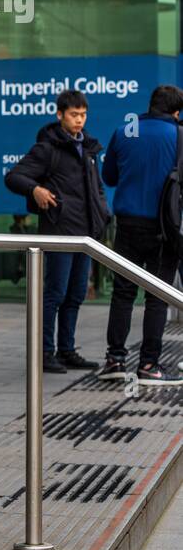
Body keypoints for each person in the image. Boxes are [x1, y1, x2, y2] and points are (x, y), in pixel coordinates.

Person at [3, 89, 109, 374]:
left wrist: (102, 213)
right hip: (60, 231)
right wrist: (36, 189)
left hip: (85, 234)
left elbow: (96, 187)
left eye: (83, 115)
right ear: (59, 114)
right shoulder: (47, 148)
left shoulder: (88, 148)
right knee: (55, 293)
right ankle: (45, 352)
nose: (79, 120)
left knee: (75, 294)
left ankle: (67, 350)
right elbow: (13, 177)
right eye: (74, 115)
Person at [98, 85, 183, 385]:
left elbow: (109, 176)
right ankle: (148, 365)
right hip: (165, 229)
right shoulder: (179, 135)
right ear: (176, 111)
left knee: (122, 292)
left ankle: (115, 360)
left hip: (127, 225)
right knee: (157, 297)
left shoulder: (124, 131)